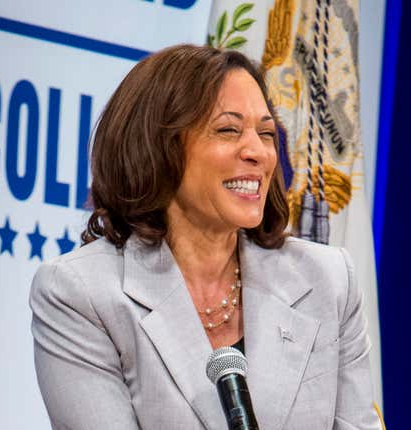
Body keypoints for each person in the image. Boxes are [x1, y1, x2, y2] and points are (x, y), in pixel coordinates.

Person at [29, 44, 383, 430]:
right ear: (158, 148)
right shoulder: (82, 294)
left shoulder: (327, 280)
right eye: (228, 130)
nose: (259, 153)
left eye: (266, 133)